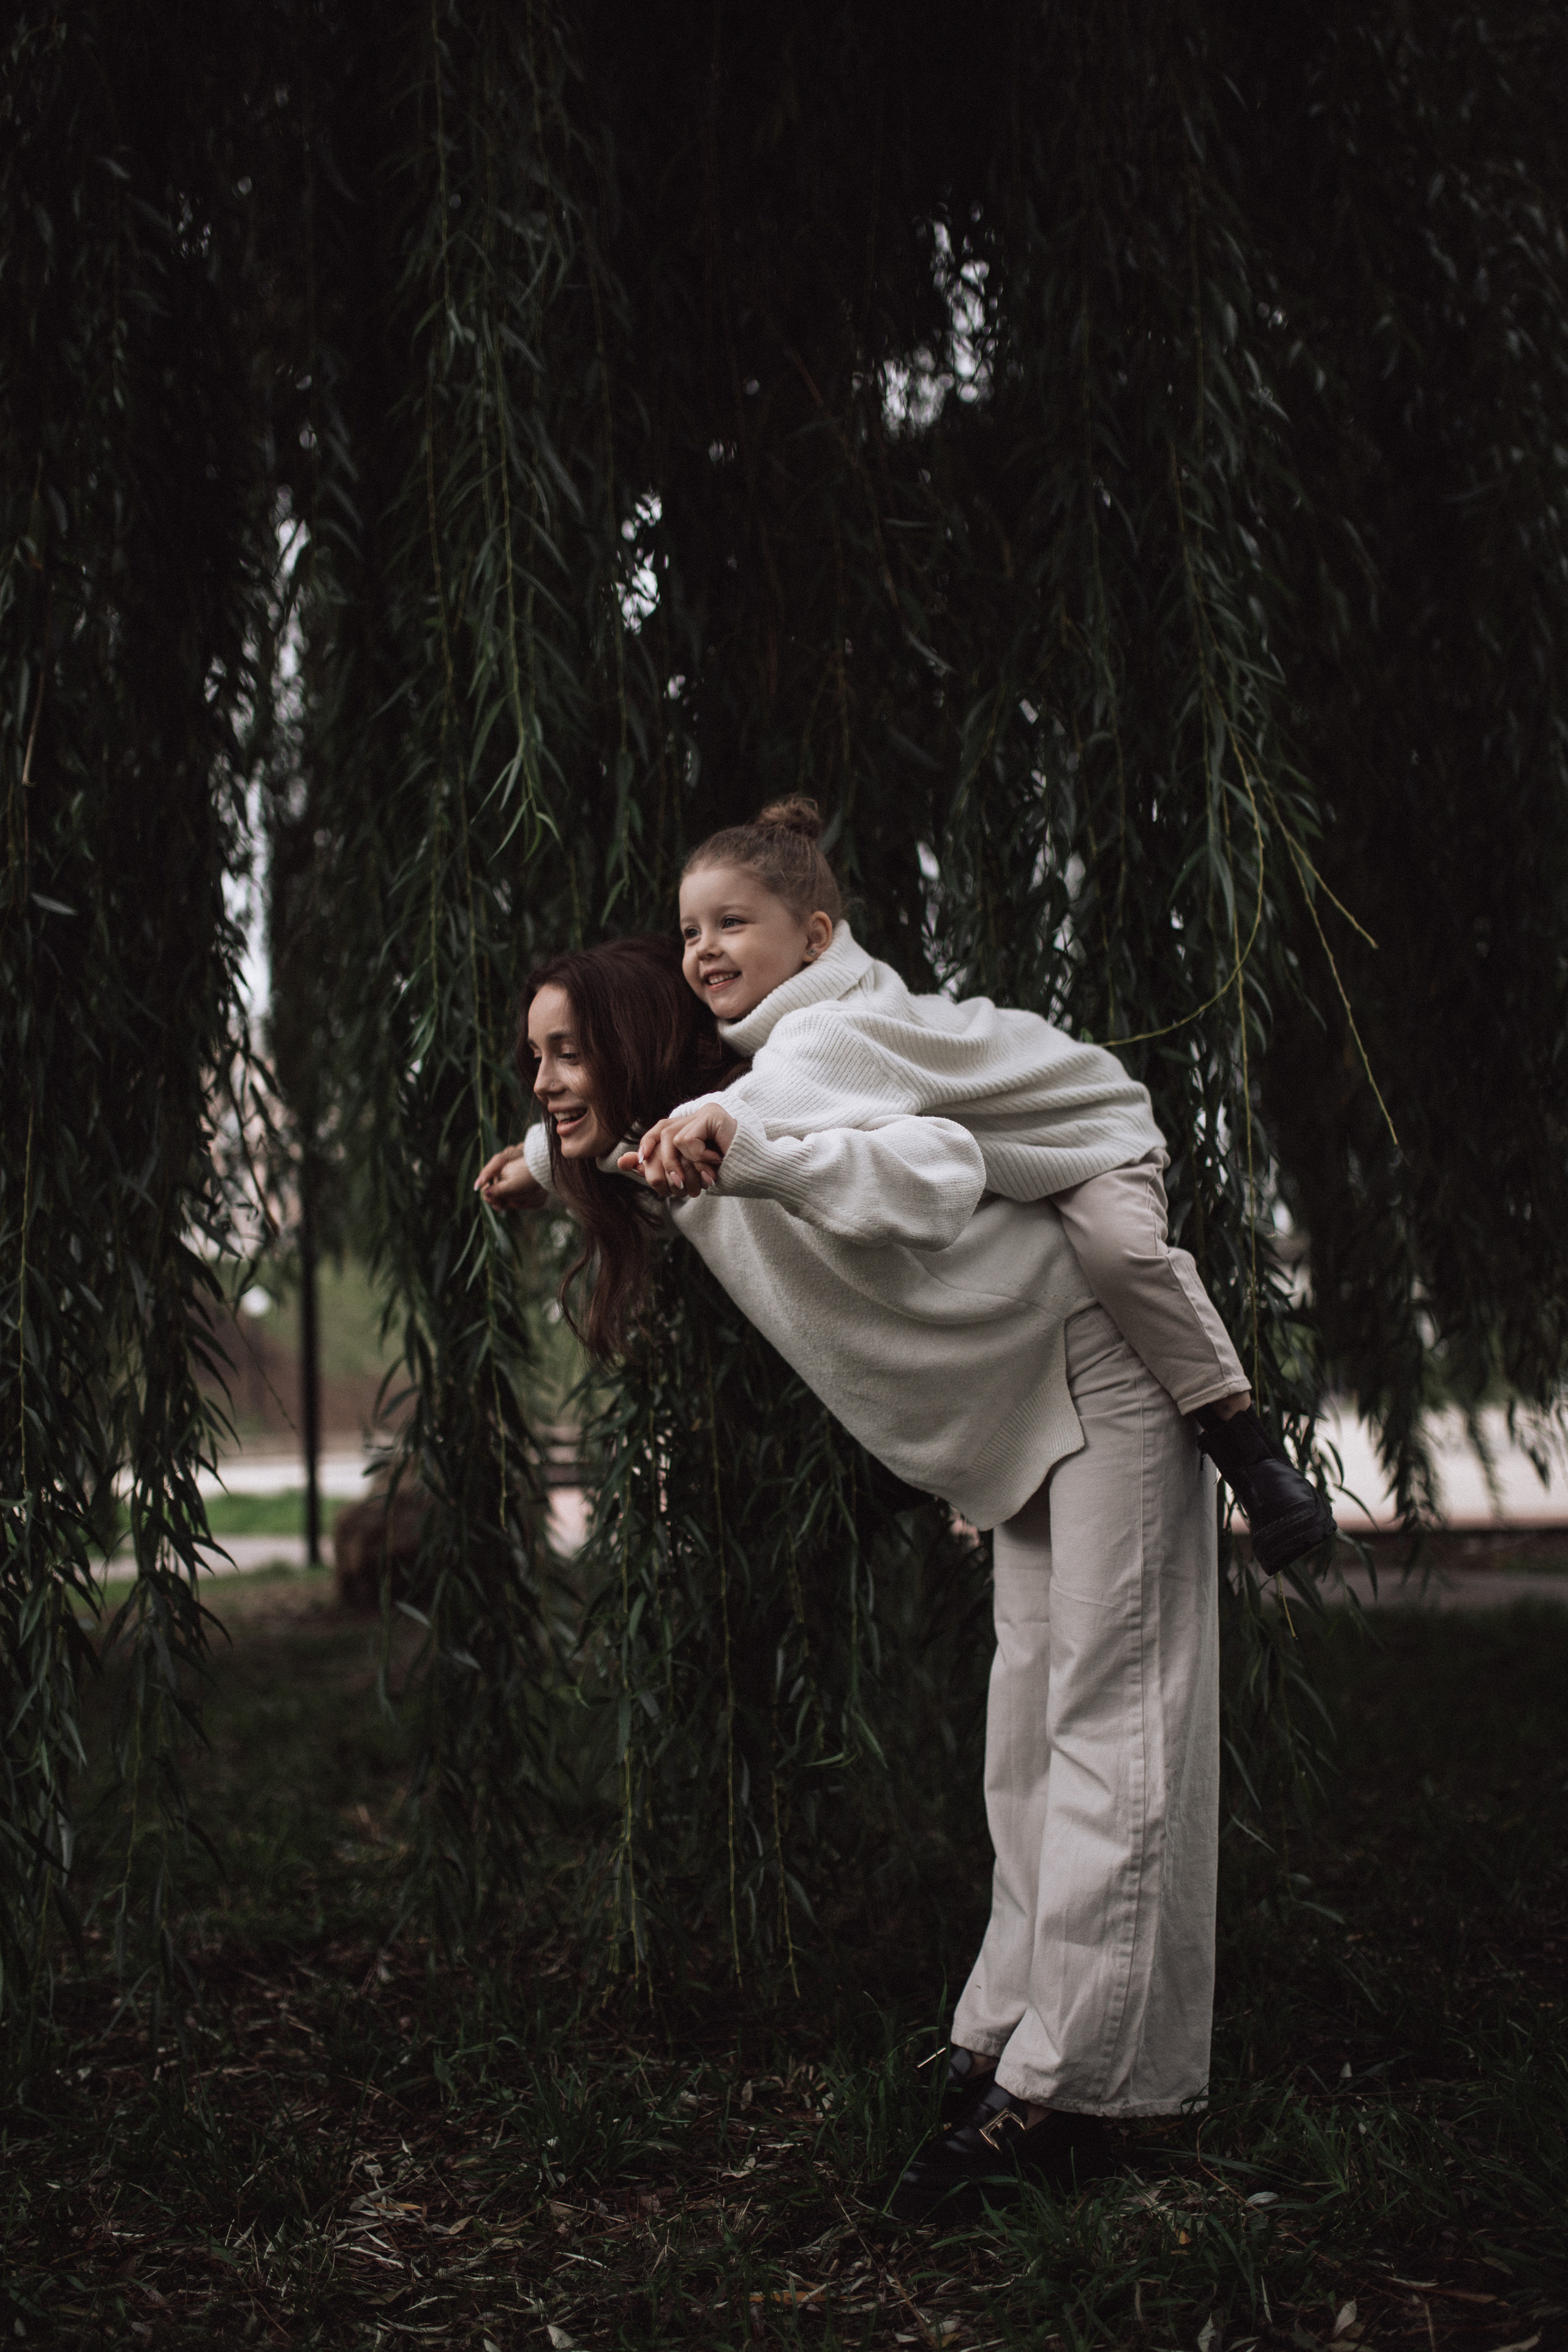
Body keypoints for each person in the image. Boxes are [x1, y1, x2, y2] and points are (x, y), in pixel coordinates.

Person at [475, 833, 1331, 2223]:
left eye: (563, 1054)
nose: (544, 1081)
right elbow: (632, 1152)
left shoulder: (784, 1086)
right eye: (534, 1064)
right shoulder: (680, 1142)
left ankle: (1084, 2086)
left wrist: (752, 1142)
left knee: (1110, 1711)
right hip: (1023, 1389)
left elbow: (928, 1173)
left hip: (1098, 1355)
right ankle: (1008, 2024)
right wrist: (540, 1159)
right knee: (1027, 1716)